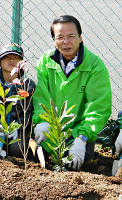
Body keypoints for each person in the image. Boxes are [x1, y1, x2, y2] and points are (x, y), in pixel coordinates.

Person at [32, 15, 112, 170]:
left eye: (71, 36)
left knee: (75, 162)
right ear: (54, 40)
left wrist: (82, 138)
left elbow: (98, 105)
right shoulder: (45, 62)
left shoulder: (95, 66)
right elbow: (41, 96)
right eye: (60, 37)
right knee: (30, 154)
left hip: (76, 132)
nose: (65, 42)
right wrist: (42, 121)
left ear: (80, 37)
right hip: (50, 129)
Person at [0, 43, 35, 158]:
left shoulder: (28, 85)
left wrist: (17, 126)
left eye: (16, 57)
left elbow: (29, 112)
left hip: (18, 130)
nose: (11, 60)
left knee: (19, 149)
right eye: (7, 57)